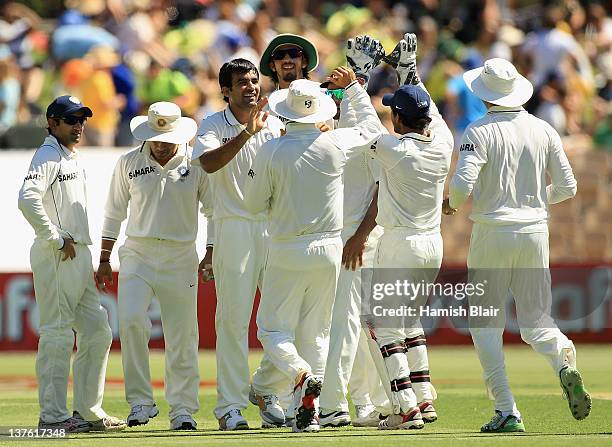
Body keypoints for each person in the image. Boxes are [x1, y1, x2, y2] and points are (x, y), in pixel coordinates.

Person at [444, 57, 591, 432]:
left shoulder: (478, 131)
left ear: (484, 94)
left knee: (484, 324)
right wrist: (533, 198)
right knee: (537, 322)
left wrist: (452, 204)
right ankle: (563, 362)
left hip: (493, 231)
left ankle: (507, 408)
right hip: (534, 232)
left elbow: (462, 185)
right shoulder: (543, 129)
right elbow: (568, 187)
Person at [243, 68, 384, 433]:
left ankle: (301, 375)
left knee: (272, 332)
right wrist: (352, 90)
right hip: (328, 249)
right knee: (317, 333)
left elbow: (255, 204)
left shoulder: (271, 150)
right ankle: (310, 412)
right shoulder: (335, 143)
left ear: (285, 113)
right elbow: (373, 132)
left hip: (288, 246)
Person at [345, 34, 453, 430]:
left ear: (401, 120)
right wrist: (409, 71)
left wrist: (355, 83)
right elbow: (433, 110)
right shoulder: (443, 142)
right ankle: (424, 399)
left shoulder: (395, 151)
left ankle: (404, 405)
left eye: (394, 112)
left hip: (400, 243)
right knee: (409, 323)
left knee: (382, 324)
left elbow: (366, 126)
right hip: (432, 245)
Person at [96, 101, 212, 431]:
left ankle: (183, 409)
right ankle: (140, 402)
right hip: (137, 253)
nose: (160, 145)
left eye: (167, 138)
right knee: (131, 321)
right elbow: (113, 213)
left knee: (182, 334)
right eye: (156, 137)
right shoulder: (128, 162)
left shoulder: (196, 164)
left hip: (180, 255)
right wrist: (104, 259)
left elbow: (213, 212)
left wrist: (211, 252)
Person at [18, 95, 126, 433]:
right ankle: (52, 416)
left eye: (81, 120)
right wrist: (54, 237)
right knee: (57, 333)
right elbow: (26, 198)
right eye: (70, 120)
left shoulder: (70, 155)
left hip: (77, 254)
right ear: (52, 123)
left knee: (97, 330)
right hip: (57, 253)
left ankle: (87, 410)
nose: (78, 126)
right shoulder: (48, 153)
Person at [193, 58, 284, 430]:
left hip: (274, 228)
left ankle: (266, 391)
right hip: (234, 228)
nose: (251, 86)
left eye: (254, 80)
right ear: (225, 91)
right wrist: (247, 133)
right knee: (233, 320)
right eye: (241, 82)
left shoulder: (277, 120)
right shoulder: (212, 124)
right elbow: (209, 164)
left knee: (280, 320)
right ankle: (229, 406)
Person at [318, 35, 390, 428]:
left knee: (354, 323)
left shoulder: (374, 134)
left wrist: (360, 237)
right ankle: (370, 400)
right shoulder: (339, 124)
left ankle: (346, 403)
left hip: (360, 241)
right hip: (335, 238)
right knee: (350, 324)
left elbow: (381, 192)